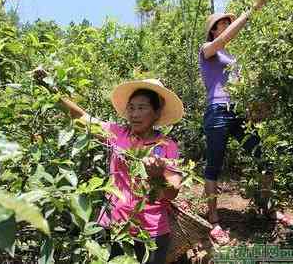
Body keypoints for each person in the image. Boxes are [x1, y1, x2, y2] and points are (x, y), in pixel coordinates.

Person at [35, 71, 184, 264]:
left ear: (156, 113)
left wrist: (158, 177)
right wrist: (51, 88)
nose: (135, 114)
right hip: (115, 226)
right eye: (131, 108)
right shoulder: (117, 133)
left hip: (152, 232)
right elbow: (82, 117)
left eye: (142, 107)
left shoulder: (166, 145)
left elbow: (173, 192)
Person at [199, 0, 293, 242]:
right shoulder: (208, 49)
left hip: (237, 112)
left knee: (266, 161)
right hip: (217, 111)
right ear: (213, 30)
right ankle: (214, 221)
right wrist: (253, 8)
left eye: (227, 24)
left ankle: (267, 208)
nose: (226, 27)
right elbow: (221, 42)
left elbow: (244, 88)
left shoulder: (233, 57)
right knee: (213, 169)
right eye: (222, 24)